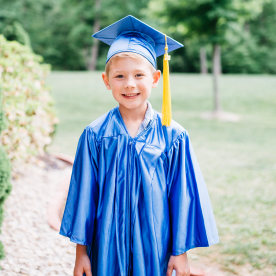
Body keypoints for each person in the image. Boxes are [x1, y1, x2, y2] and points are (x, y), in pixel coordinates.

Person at [59, 15, 219, 276]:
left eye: (139, 75)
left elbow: (183, 198)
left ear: (156, 78)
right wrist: (81, 254)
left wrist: (180, 253)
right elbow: (84, 197)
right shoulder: (95, 135)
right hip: (107, 247)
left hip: (156, 246)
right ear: (106, 80)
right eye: (120, 76)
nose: (130, 84)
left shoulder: (173, 137)